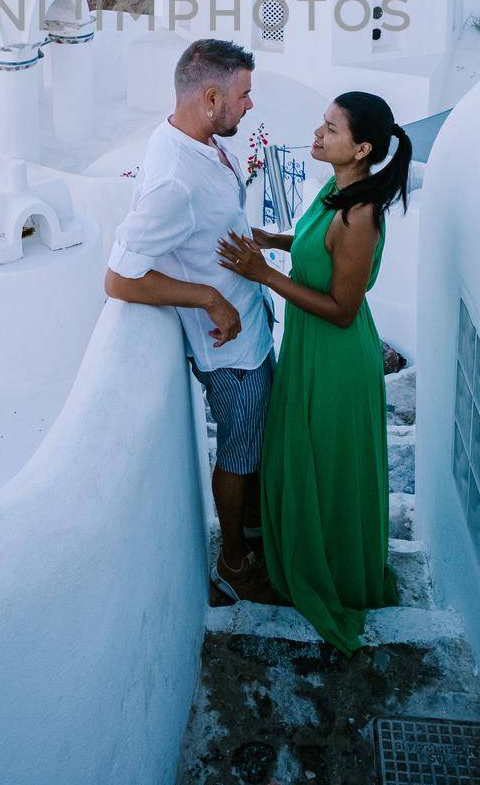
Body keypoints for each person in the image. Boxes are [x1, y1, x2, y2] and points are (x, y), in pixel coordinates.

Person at [217, 90, 411, 651]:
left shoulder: (360, 215)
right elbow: (309, 247)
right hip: (310, 346)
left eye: (331, 128)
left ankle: (334, 574)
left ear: (362, 148)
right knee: (304, 456)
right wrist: (267, 240)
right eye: (322, 123)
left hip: (336, 357)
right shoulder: (336, 187)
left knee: (327, 467)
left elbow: (342, 308)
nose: (318, 134)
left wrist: (262, 273)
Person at [104, 39, 276, 603]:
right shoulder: (173, 178)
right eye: (243, 95)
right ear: (209, 97)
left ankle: (254, 528)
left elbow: (218, 223)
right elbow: (120, 278)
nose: (250, 106)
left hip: (251, 330)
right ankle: (234, 560)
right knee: (237, 454)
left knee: (252, 450)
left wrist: (273, 242)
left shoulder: (196, 140)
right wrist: (207, 297)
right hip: (232, 357)